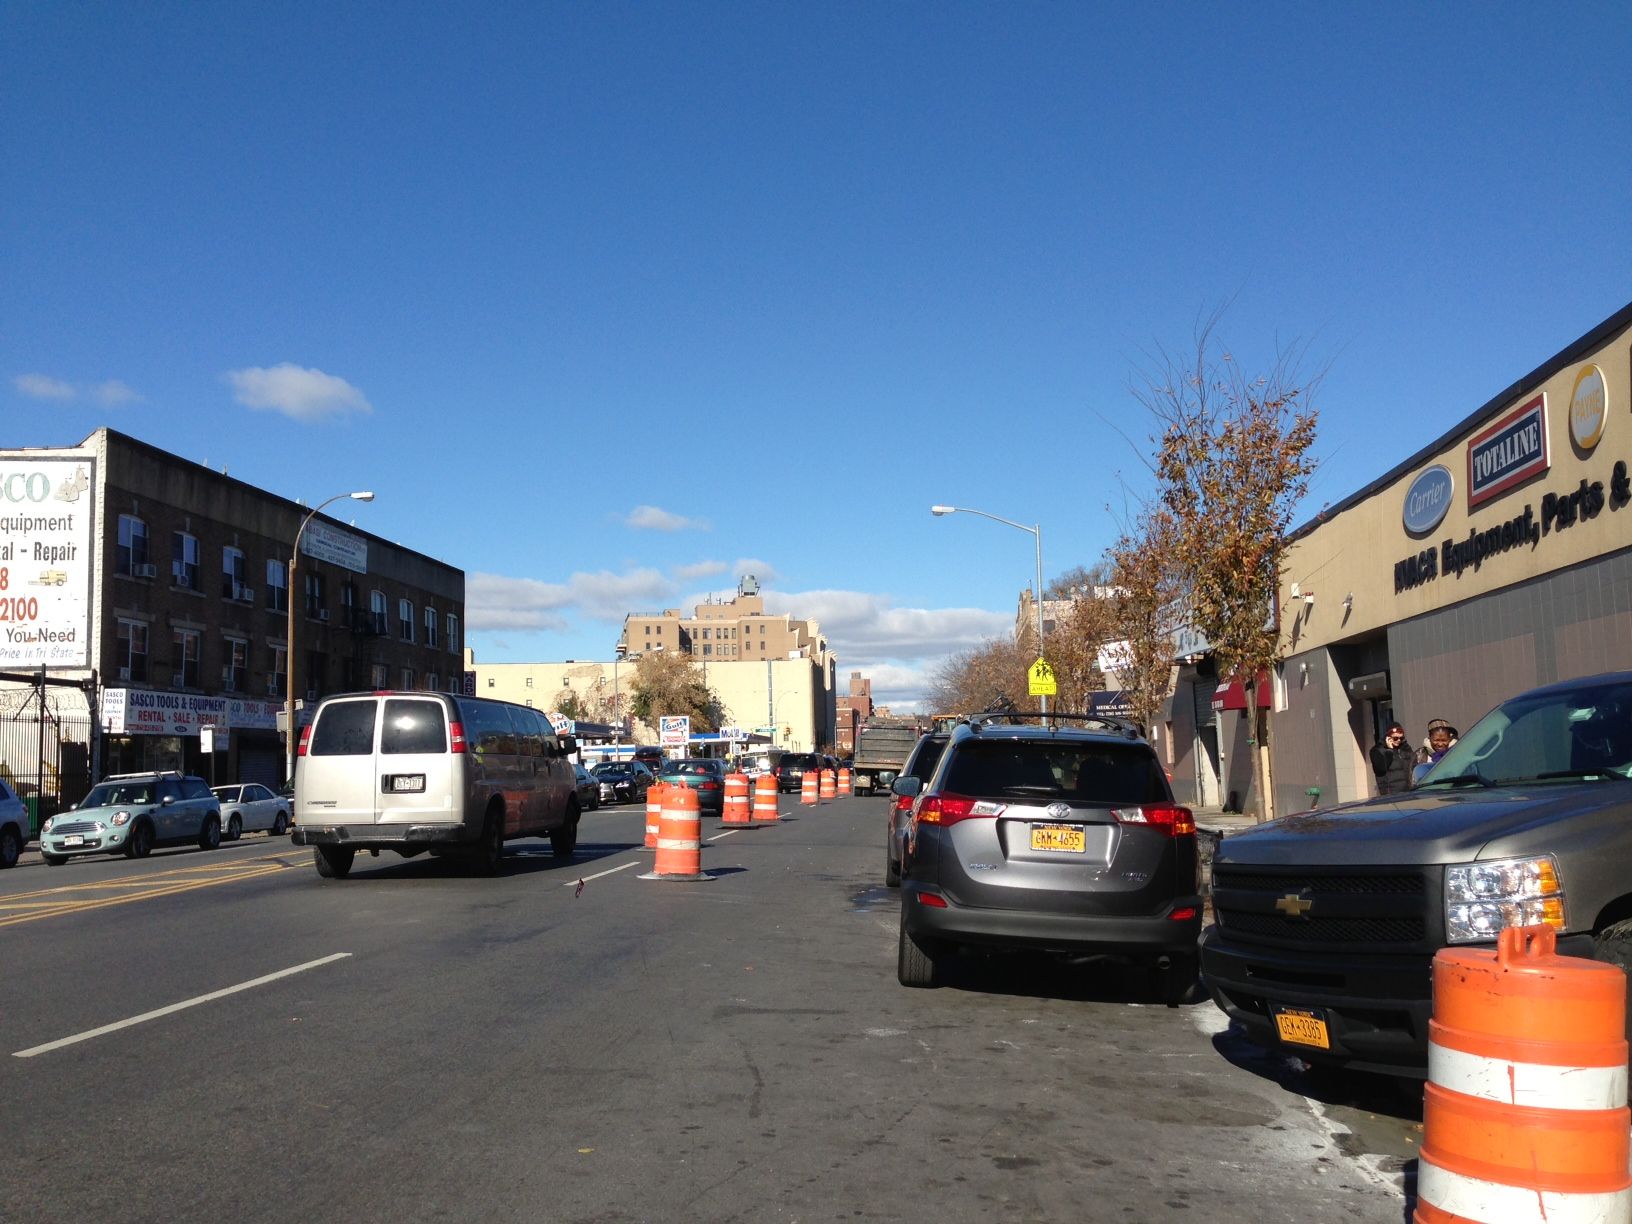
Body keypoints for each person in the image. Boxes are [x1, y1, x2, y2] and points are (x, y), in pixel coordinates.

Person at [1368, 722, 1414, 795]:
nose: (1399, 740)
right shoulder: (1377, 750)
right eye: (1395, 738)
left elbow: (1413, 765)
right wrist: (1389, 751)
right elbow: (1380, 769)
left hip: (1409, 793)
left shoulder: (1405, 748)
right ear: (1388, 737)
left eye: (1401, 738)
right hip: (1391, 795)